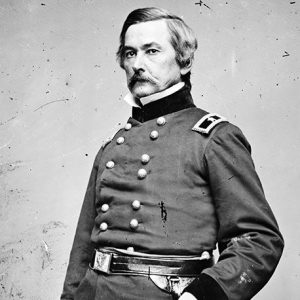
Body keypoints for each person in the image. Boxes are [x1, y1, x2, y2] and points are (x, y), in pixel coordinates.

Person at [61, 7, 284, 300]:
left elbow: (259, 240)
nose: (138, 64)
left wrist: (201, 296)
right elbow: (81, 253)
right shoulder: (111, 146)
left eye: (151, 51)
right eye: (130, 54)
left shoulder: (213, 137)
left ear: (184, 60)